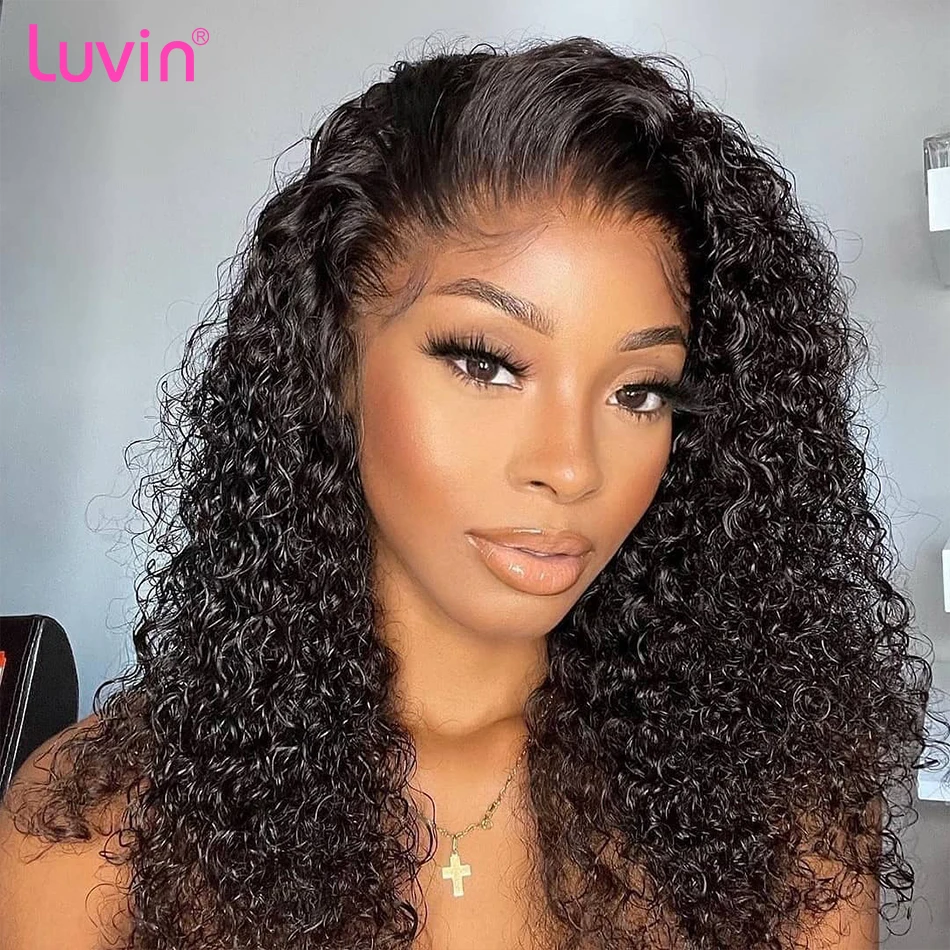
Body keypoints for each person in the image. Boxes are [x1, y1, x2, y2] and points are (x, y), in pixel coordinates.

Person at [0, 34, 945, 950]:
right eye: (486, 363)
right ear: (332, 363)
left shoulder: (775, 813)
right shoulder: (96, 832)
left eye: (639, 391)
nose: (571, 468)